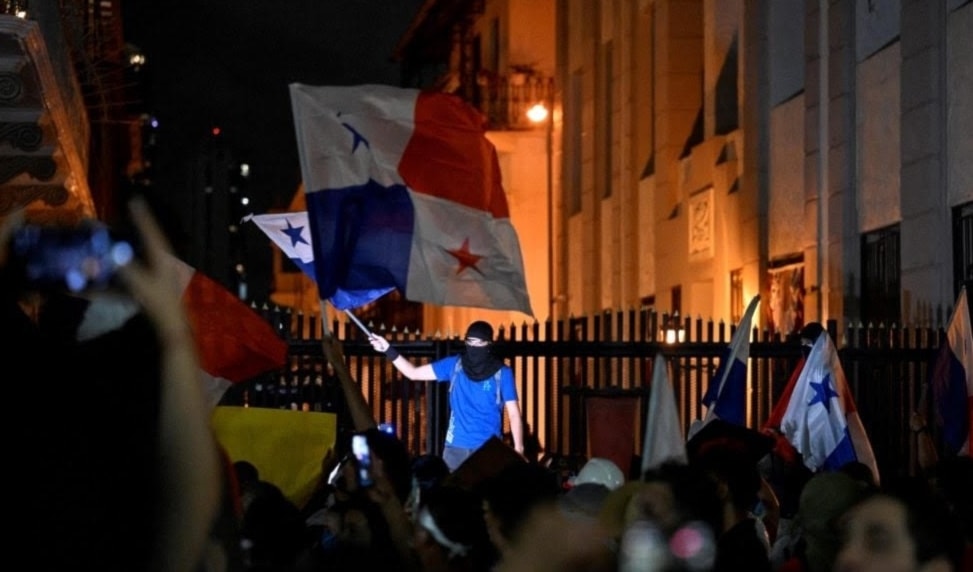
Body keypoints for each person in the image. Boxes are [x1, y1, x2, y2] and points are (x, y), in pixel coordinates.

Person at [369, 320, 524, 471]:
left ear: (489, 344)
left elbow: (514, 414)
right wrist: (387, 349)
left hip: (489, 450)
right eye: (470, 341)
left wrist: (519, 449)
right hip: (455, 448)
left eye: (480, 343)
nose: (474, 347)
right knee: (452, 495)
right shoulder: (454, 365)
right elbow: (413, 373)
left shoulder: (502, 373)